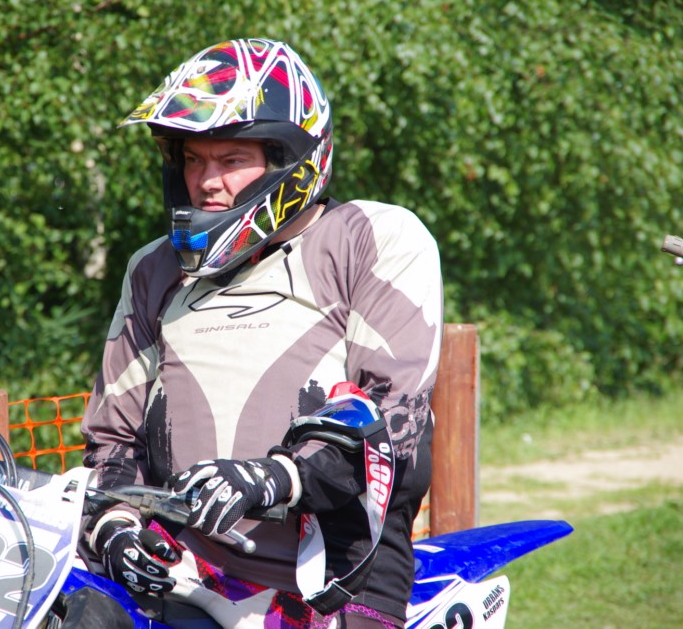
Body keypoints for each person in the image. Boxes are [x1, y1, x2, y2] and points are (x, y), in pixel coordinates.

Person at [81, 38, 443, 629]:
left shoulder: (371, 238)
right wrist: (114, 526)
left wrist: (274, 476)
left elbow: (393, 420)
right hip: (188, 570)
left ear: (287, 160)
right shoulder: (153, 269)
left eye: (230, 159)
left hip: (336, 578)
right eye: (192, 160)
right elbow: (112, 440)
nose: (206, 182)